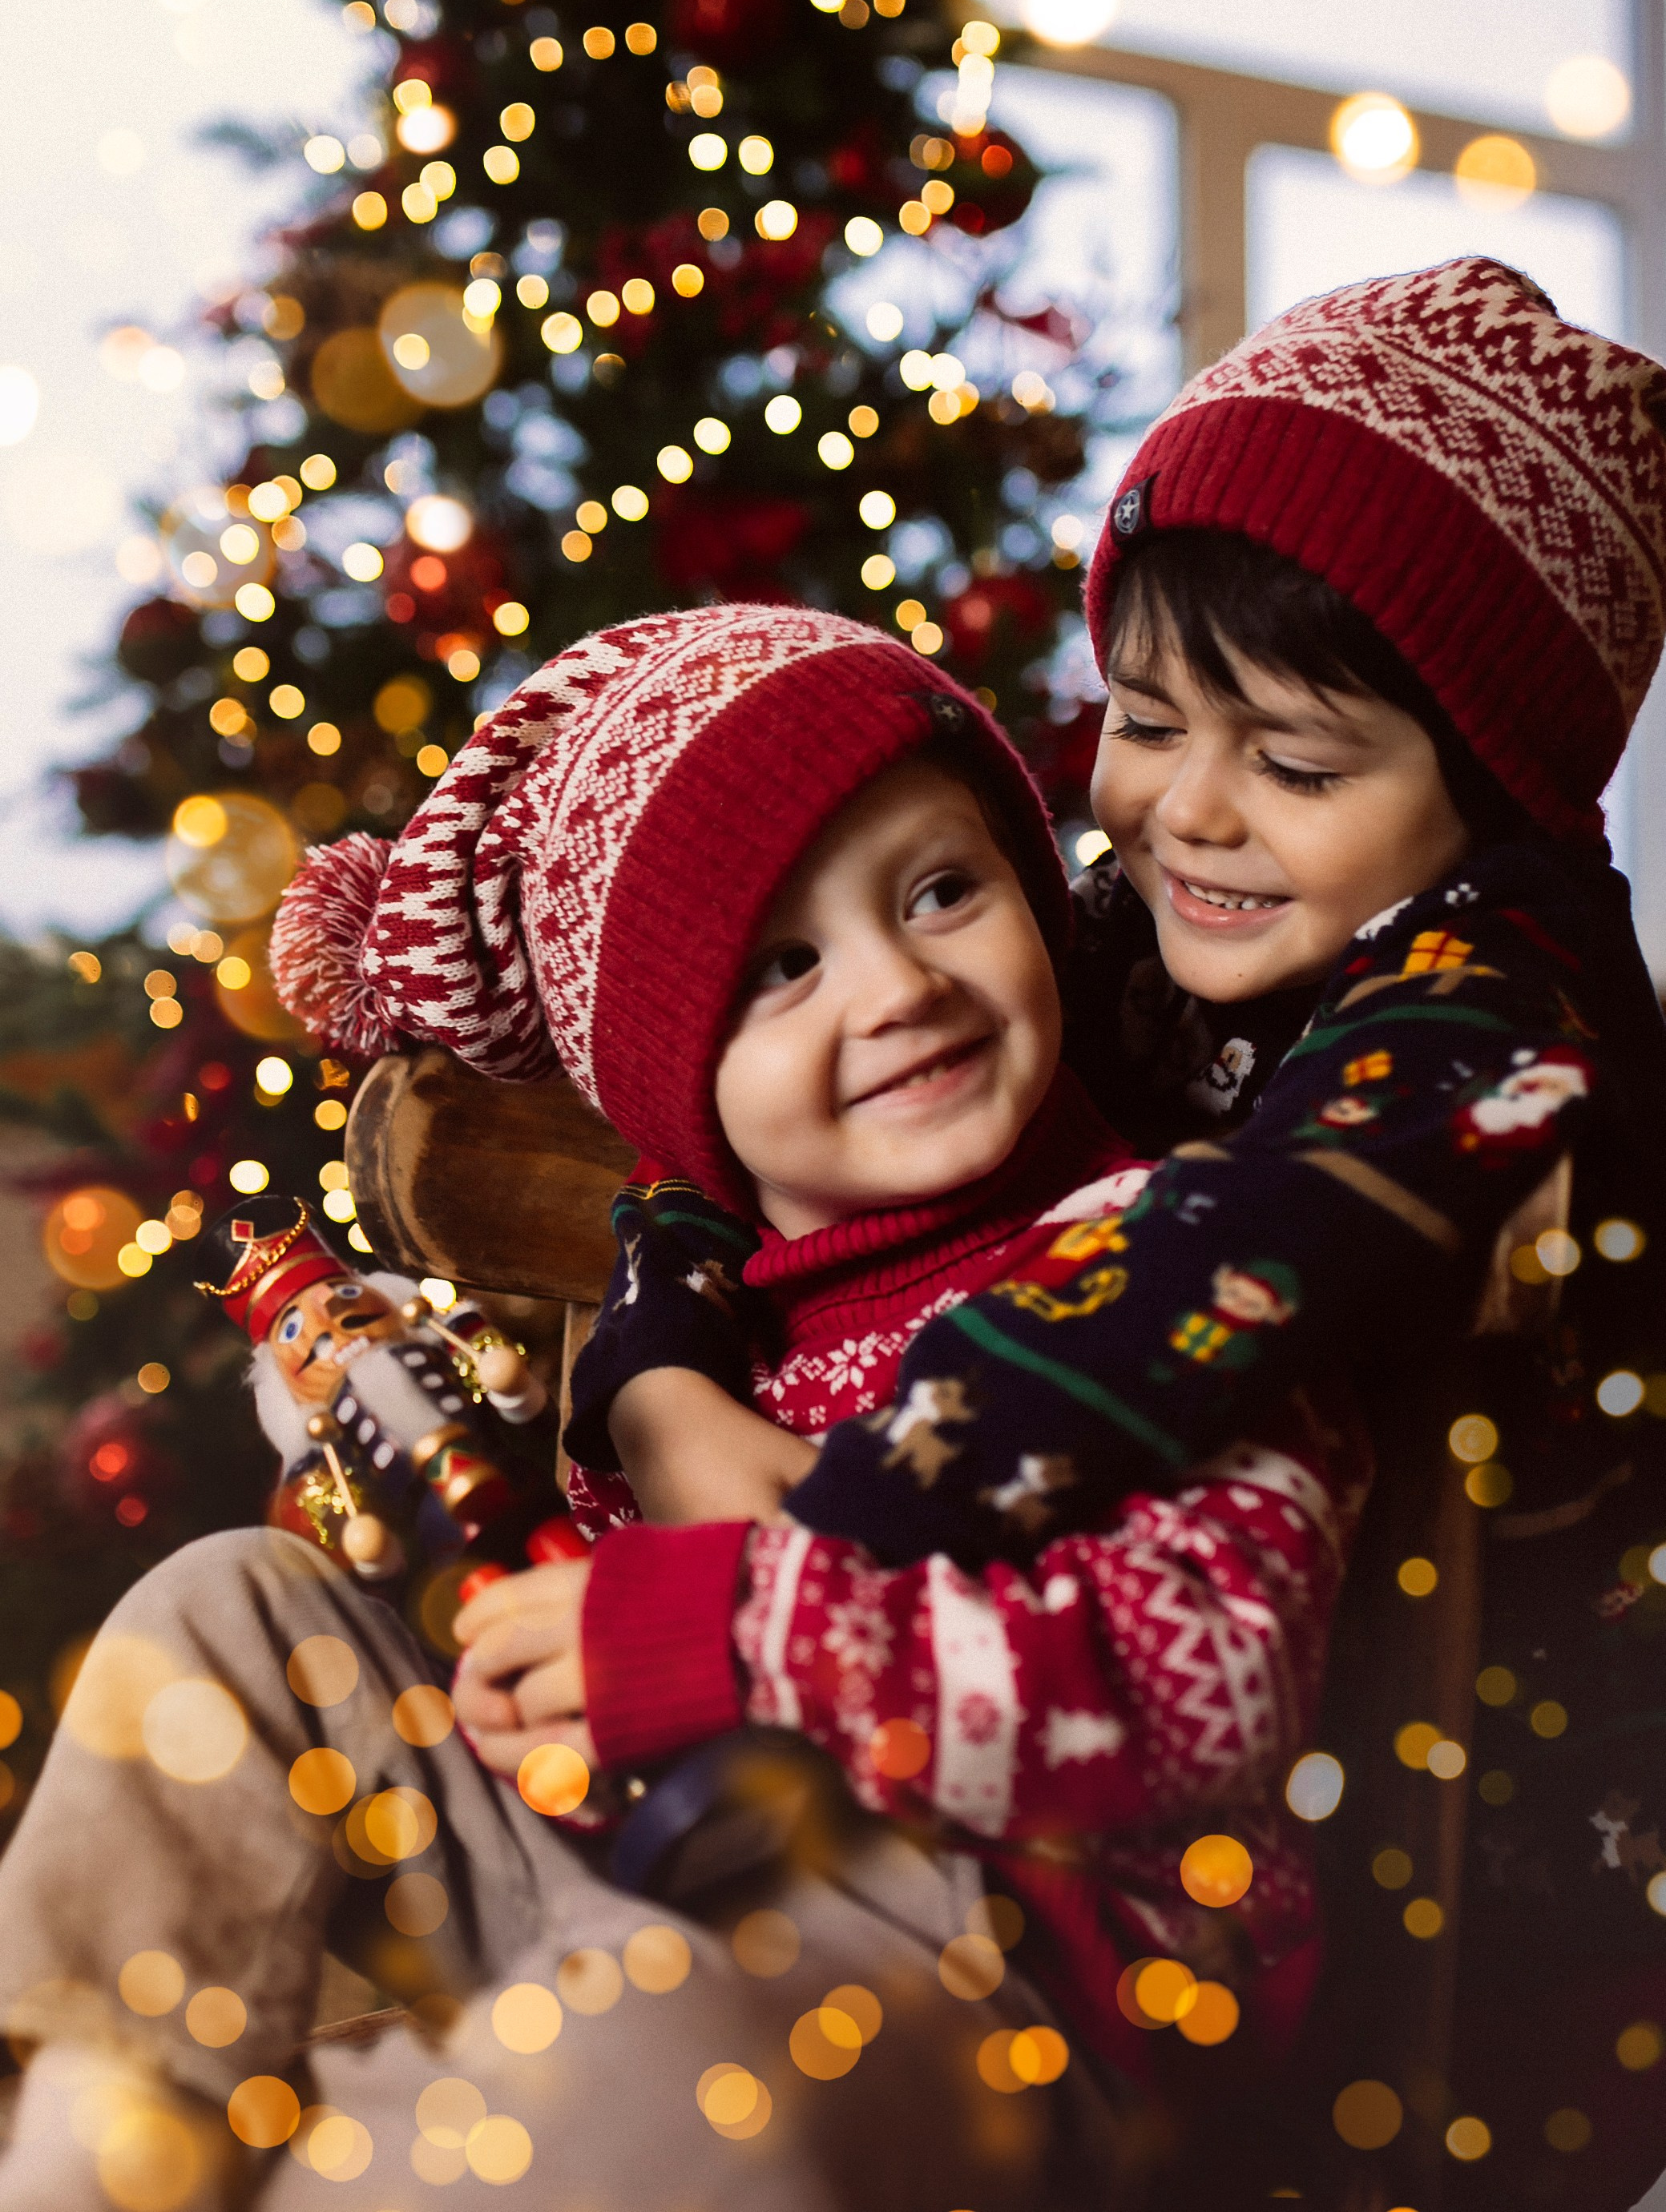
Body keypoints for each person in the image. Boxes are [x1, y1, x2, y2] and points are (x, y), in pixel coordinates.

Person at [0, 602, 1355, 2212]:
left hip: (984, 1963)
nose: (897, 983)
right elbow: (567, 1630)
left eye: (942, 890)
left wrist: (704, 1634)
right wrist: (443, 1512)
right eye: (782, 967)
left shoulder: (1171, 1262)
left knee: (654, 2078)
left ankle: (369, 2150)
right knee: (228, 1606)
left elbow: (1207, 1676)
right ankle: (102, 2135)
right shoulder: (695, 1318)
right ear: (662, 1077)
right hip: (623, 1858)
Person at [569, 256, 1666, 2204]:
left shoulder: (1500, 1002)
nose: (1185, 815)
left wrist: (820, 1528)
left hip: (1470, 1910)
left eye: (1299, 765)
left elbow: (1211, 1264)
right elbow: (728, 1123)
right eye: (1146, 720)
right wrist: (663, 1366)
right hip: (1058, 1805)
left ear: (1483, 791)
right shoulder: (1152, 912)